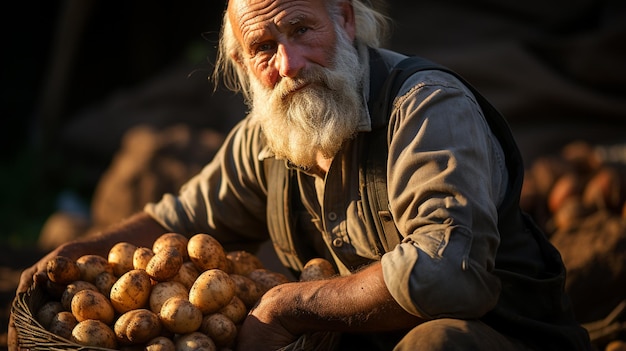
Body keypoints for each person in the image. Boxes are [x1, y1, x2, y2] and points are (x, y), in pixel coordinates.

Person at [11, 0, 592, 350]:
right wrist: (64, 257)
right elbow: (177, 219)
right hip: (359, 345)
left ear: (343, 18)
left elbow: (449, 275)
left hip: (505, 339)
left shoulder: (425, 109)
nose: (289, 66)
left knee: (436, 343)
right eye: (264, 46)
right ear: (242, 64)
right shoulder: (266, 138)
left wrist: (290, 307)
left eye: (301, 29)